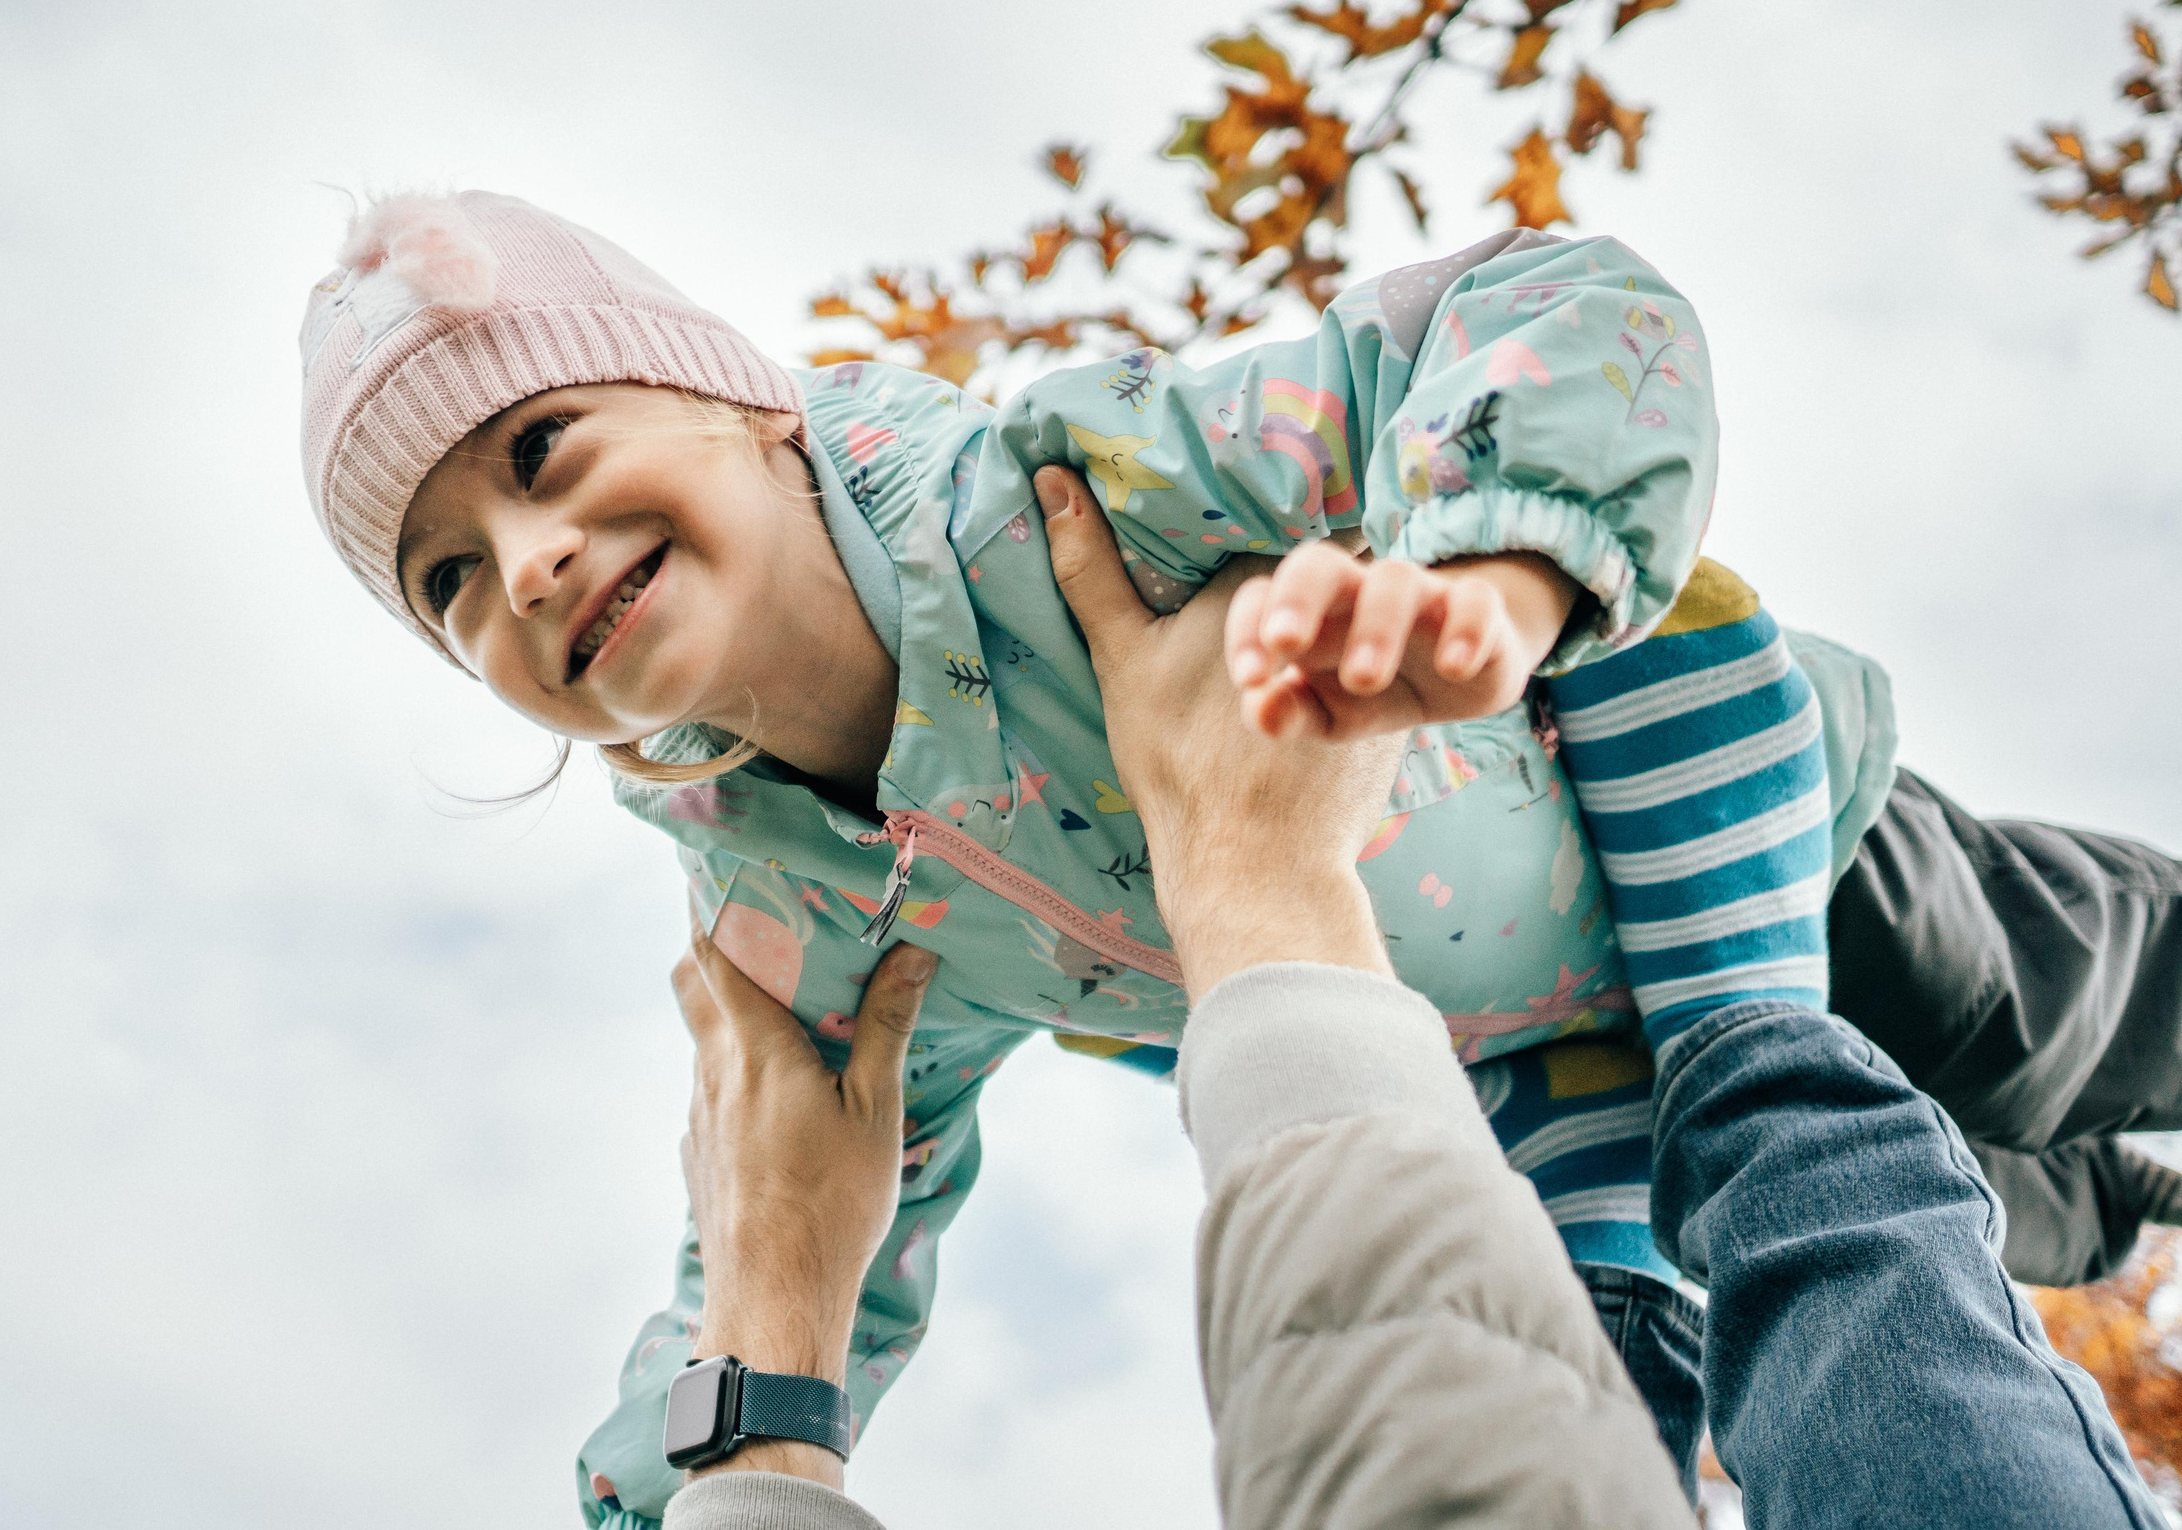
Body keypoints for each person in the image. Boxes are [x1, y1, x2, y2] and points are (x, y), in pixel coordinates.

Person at [292, 189, 2182, 1521]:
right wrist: (664, 1492)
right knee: (1898, 1231)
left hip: (1736, 826)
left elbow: (1542, 303)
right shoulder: (797, 913)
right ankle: (2132, 1208)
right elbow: (787, 1247)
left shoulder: (1067, 489)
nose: (521, 567)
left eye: (541, 450)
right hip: (1517, 1080)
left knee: (2050, 1012)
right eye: (447, 581)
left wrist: (1493, 573)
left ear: (743, 399)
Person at [660, 478, 2156, 1530]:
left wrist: (713, 1465)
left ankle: (1953, 1150)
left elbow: (1552, 332)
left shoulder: (1024, 499)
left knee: (2005, 1042)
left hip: (1659, 904)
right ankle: (1794, 1066)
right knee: (1819, 1164)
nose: (529, 571)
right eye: (451, 580)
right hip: (1626, 985)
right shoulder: (848, 915)